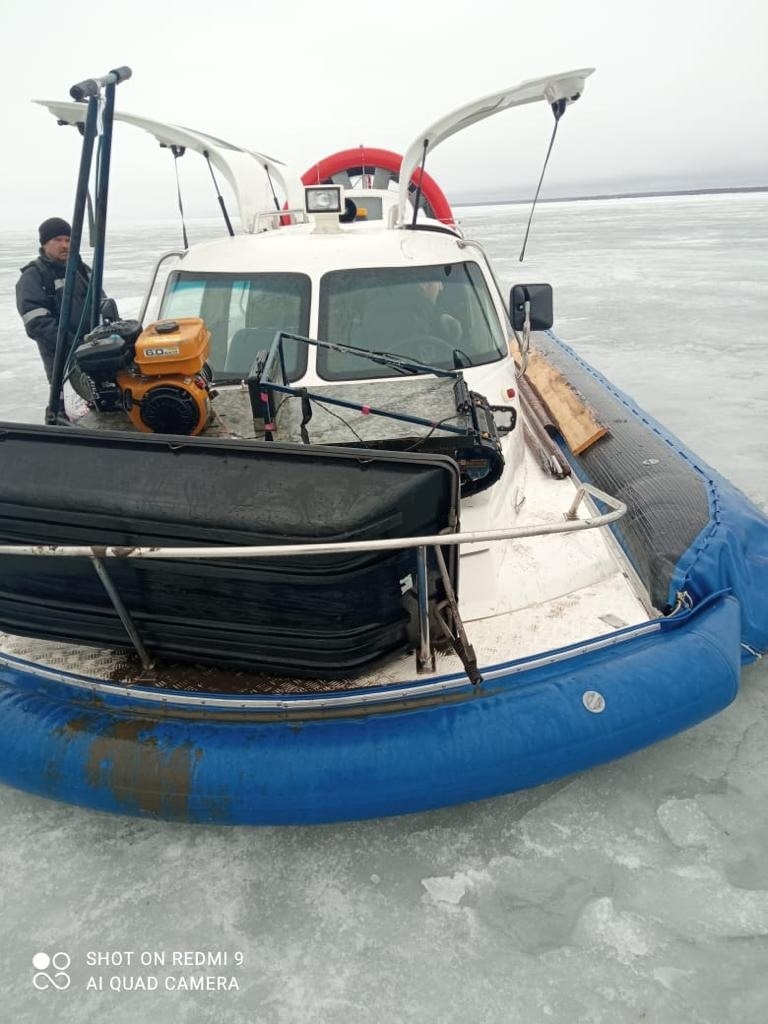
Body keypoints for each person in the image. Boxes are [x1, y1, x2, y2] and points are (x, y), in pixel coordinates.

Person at [15, 217, 97, 388]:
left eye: (68, 240)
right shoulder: (33, 276)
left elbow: (102, 303)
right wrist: (74, 344)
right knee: (69, 408)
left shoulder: (82, 270)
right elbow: (37, 323)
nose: (65, 245)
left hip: (94, 354)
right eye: (57, 240)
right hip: (63, 363)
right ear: (45, 244)